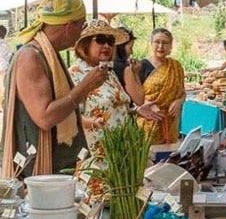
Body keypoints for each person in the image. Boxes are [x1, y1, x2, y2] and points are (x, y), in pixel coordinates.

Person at [0, 0, 110, 178]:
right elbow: (45, 117)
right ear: (69, 26)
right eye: (81, 26)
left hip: (53, 166)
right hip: (35, 169)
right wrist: (85, 87)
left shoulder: (48, 54)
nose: (81, 33)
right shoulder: (30, 57)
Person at [69, 20, 163, 202]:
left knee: (122, 203)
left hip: (121, 153)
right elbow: (68, 116)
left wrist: (136, 110)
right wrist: (92, 123)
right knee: (99, 206)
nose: (106, 46)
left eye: (110, 42)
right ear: (85, 44)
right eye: (100, 40)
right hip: (96, 156)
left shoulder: (108, 72)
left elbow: (113, 108)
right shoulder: (75, 73)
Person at [137, 28, 185, 144]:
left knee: (169, 159)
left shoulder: (176, 66)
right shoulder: (141, 66)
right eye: (157, 42)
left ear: (170, 46)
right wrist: (146, 104)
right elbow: (133, 97)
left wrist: (179, 101)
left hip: (171, 122)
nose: (160, 46)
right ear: (151, 44)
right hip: (148, 122)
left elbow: (183, 92)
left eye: (165, 43)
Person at [112, 26, 144, 104]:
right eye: (130, 48)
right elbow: (139, 100)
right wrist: (135, 74)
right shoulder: (125, 69)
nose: (132, 52)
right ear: (121, 46)